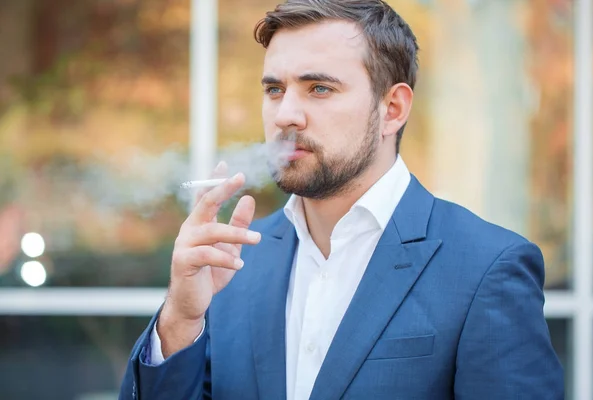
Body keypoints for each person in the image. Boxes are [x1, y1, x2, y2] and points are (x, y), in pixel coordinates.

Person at [119, 1, 564, 399]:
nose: (286, 114)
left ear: (392, 109)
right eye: (274, 89)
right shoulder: (232, 261)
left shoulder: (486, 268)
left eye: (319, 89)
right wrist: (180, 319)